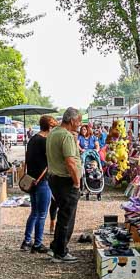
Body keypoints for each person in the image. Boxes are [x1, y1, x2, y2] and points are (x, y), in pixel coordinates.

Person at [46, 108, 83, 262]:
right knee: (67, 217)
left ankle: (56, 246)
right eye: (79, 121)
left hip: (54, 178)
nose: (80, 124)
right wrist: (77, 182)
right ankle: (61, 252)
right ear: (72, 120)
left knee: (63, 214)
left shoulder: (53, 133)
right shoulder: (65, 136)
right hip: (66, 180)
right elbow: (70, 162)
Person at [21, 115, 55, 253]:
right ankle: (38, 243)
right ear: (50, 127)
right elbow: (50, 161)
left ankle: (27, 241)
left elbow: (27, 158)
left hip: (31, 179)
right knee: (42, 214)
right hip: (42, 180)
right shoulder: (45, 141)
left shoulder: (33, 139)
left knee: (34, 212)